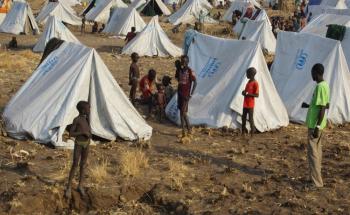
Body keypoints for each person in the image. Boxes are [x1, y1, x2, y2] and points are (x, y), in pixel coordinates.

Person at [301, 63, 330, 188]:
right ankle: (314, 178)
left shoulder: (320, 87)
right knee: (316, 153)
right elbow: (324, 104)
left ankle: (317, 182)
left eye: (312, 73)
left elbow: (323, 108)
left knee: (313, 153)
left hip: (315, 126)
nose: (311, 75)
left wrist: (317, 128)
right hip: (317, 124)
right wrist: (308, 105)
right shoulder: (324, 85)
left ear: (316, 73)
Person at [65, 101, 91, 199]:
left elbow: (89, 130)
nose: (89, 110)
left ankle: (80, 185)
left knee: (83, 164)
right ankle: (69, 186)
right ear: (83, 110)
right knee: (75, 164)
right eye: (88, 109)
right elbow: (71, 133)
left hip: (86, 144)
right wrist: (83, 132)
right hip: (79, 144)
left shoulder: (87, 119)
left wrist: (89, 134)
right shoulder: (77, 120)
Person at [175, 55, 197, 137]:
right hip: (180, 93)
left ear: (188, 62)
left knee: (183, 112)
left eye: (185, 61)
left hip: (186, 95)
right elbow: (178, 80)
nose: (183, 63)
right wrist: (177, 68)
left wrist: (191, 94)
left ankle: (188, 129)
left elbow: (195, 82)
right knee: (182, 112)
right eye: (182, 61)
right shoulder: (179, 70)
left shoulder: (190, 71)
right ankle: (184, 131)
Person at [241, 67, 259, 136]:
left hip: (250, 104)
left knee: (250, 119)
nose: (246, 75)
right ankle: (243, 132)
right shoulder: (248, 82)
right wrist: (244, 92)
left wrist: (248, 94)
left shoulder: (255, 83)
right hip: (245, 103)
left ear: (251, 74)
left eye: (247, 74)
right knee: (243, 118)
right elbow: (246, 91)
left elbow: (257, 95)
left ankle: (252, 133)